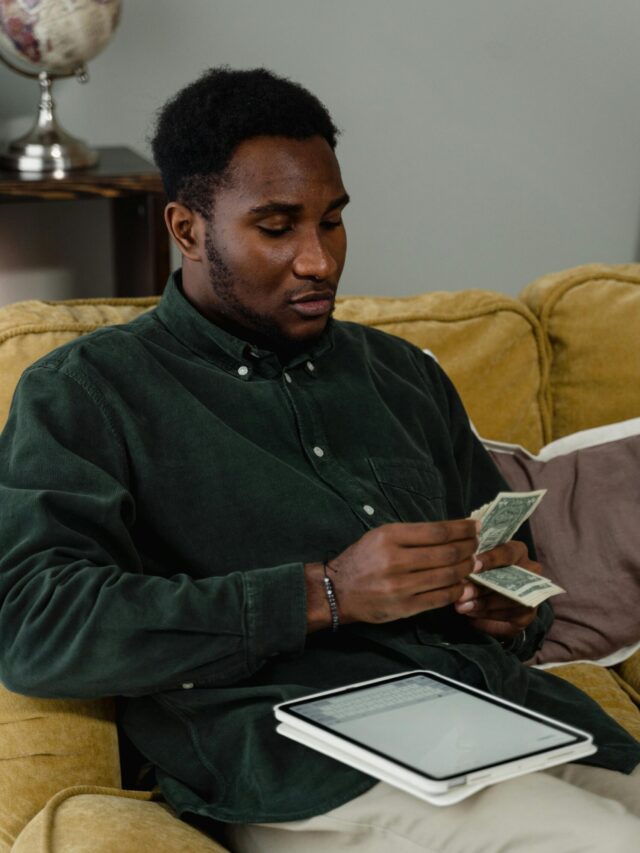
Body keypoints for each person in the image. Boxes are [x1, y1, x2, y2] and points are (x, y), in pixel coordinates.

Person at [0, 67, 638, 853]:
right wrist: (325, 593)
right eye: (277, 227)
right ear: (188, 227)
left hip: (514, 718)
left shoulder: (404, 374)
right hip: (304, 761)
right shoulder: (87, 393)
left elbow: (514, 574)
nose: (319, 261)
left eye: (331, 221)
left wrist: (507, 606)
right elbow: (38, 625)